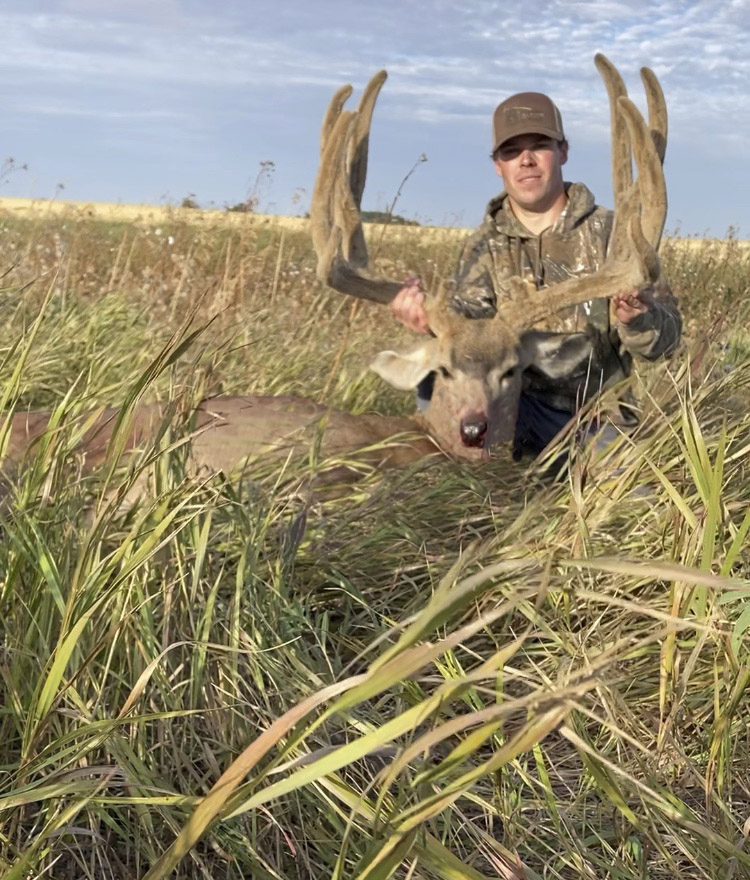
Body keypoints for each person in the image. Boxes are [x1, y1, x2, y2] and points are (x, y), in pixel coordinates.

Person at [391, 90, 682, 460]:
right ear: (498, 164)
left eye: (539, 146)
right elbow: (471, 338)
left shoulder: (617, 236)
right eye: (511, 152)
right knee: (433, 382)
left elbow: (668, 340)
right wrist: (428, 323)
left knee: (635, 503)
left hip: (593, 418)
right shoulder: (482, 247)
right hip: (507, 407)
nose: (525, 160)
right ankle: (457, 484)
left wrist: (639, 320)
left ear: (563, 151)